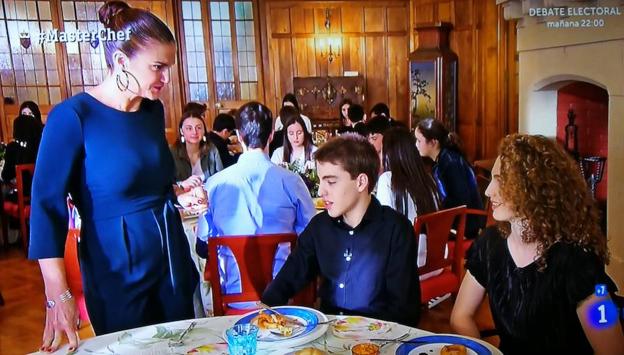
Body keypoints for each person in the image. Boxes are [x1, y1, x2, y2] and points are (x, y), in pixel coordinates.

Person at [29, 2, 197, 351]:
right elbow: (46, 208)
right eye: (158, 67)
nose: (166, 80)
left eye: (169, 67)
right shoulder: (73, 117)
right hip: (117, 268)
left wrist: (181, 193)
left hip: (171, 260)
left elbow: (152, 184)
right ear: (121, 61)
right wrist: (57, 294)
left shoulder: (153, 111)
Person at [451, 134, 624, 355]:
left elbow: (614, 350)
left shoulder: (577, 262)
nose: (487, 191)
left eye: (501, 181)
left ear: (534, 190)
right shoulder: (490, 244)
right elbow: (460, 317)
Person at [262, 134, 421, 326]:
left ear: (361, 182)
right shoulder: (319, 227)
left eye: (331, 182)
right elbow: (290, 276)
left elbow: (404, 312)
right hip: (327, 333)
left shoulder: (396, 230)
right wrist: (265, 307)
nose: (321, 192)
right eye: (320, 181)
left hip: (378, 338)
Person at [196, 102, 315, 305]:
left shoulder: (215, 184)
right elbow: (311, 236)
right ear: (271, 135)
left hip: (234, 296)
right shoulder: (292, 182)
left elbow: (202, 247)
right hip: (285, 296)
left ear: (239, 137)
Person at [375, 127, 441, 279]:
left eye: (381, 152)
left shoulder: (387, 180)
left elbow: (382, 231)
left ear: (389, 154)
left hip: (408, 268)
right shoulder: (427, 179)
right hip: (436, 262)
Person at [415, 118, 483, 237]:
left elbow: (460, 201)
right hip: (457, 218)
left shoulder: (450, 163)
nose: (416, 145)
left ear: (433, 142)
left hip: (465, 223)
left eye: (419, 141)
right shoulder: (443, 159)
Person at [170, 106, 223, 191]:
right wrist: (182, 184)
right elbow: (165, 185)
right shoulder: (172, 153)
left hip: (209, 198)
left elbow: (221, 178)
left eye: (198, 128)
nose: (194, 132)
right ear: (181, 131)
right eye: (189, 128)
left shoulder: (212, 149)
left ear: (204, 131)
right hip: (182, 199)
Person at [1, 114, 43, 190]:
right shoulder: (43, 147)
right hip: (42, 191)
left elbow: (6, 175)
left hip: (21, 193)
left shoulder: (12, 147)